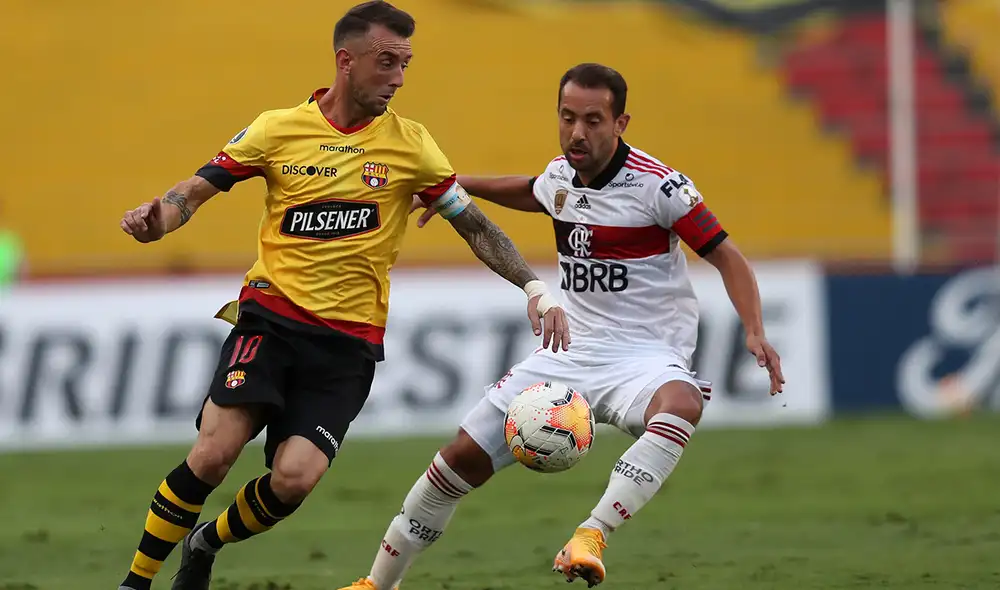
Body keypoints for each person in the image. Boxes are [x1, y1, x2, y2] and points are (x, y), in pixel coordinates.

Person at [115, 3, 569, 590]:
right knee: (212, 454)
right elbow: (194, 192)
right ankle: (135, 582)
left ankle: (206, 542)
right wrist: (159, 220)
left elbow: (475, 225)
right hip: (270, 321)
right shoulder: (277, 129)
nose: (398, 78)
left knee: (294, 480)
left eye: (405, 65)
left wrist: (534, 287)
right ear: (345, 61)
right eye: (387, 62)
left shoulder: (412, 145)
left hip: (347, 345)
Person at [339, 62, 785, 590]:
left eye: (593, 120)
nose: (577, 132)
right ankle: (377, 584)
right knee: (456, 460)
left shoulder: (660, 187)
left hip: (644, 356)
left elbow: (727, 256)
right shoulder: (561, 176)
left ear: (620, 123)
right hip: (568, 350)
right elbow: (532, 191)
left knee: (683, 405)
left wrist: (753, 329)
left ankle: (591, 535)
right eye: (567, 117)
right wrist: (452, 189)